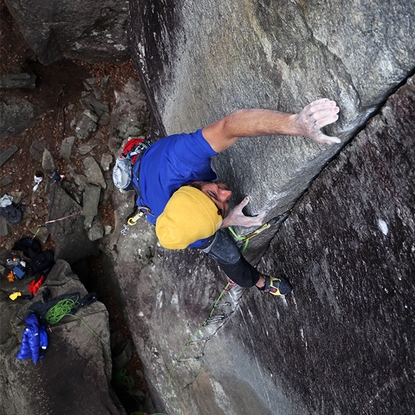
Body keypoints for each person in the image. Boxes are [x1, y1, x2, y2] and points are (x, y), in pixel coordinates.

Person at [120, 98, 340, 296]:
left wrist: (295, 124)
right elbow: (198, 228)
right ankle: (261, 283)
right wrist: (227, 221)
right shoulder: (189, 231)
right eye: (222, 206)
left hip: (152, 165)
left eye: (212, 193)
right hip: (151, 191)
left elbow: (229, 126)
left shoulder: (179, 159)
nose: (227, 193)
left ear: (193, 183)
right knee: (232, 259)